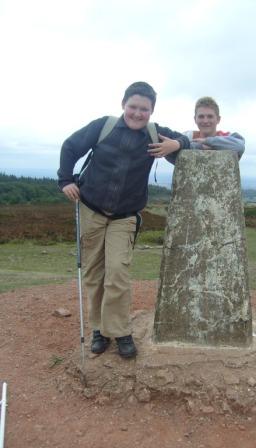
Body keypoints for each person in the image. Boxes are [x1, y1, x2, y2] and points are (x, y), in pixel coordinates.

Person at [57, 81, 190, 358]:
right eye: (133, 106)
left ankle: (119, 331)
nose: (138, 113)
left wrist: (177, 143)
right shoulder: (103, 126)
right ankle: (99, 330)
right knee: (94, 274)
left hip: (125, 216)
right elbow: (70, 147)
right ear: (123, 105)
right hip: (91, 209)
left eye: (144, 109)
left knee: (117, 272)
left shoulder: (155, 134)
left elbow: (183, 143)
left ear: (151, 111)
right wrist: (65, 180)